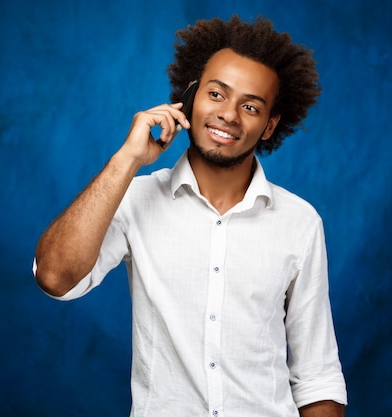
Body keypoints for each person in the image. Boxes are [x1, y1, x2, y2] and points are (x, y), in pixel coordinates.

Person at [34, 15, 347, 417]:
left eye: (250, 106)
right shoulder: (134, 198)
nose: (229, 115)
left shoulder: (300, 222)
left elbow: (317, 375)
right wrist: (127, 159)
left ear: (269, 126)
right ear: (191, 97)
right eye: (216, 94)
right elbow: (55, 276)